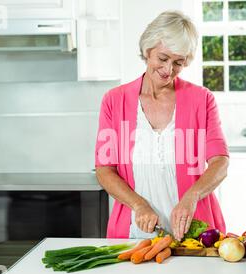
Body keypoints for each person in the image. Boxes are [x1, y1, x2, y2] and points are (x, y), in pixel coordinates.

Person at [95, 11, 229, 240]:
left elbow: (220, 162)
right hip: (134, 235)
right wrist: (138, 205)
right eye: (163, 58)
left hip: (195, 237)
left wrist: (192, 197)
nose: (168, 70)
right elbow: (105, 170)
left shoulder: (202, 100)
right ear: (148, 50)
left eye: (178, 63)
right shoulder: (114, 101)